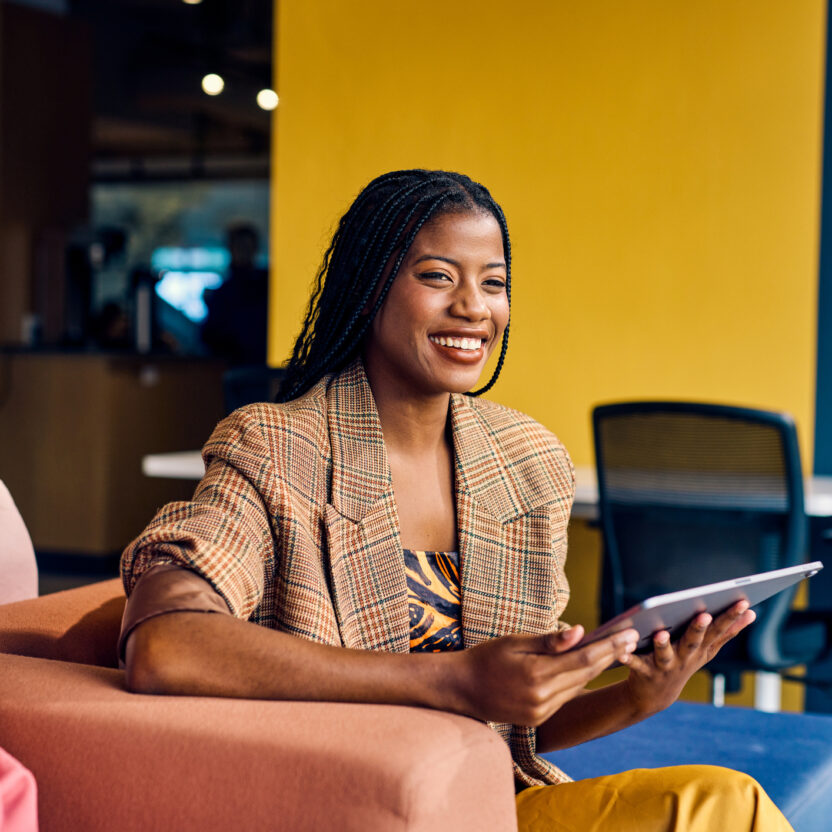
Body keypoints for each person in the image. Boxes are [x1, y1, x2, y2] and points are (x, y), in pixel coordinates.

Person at [120, 169, 793, 830]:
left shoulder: (527, 462)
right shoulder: (275, 446)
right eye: (438, 276)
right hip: (349, 805)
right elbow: (166, 647)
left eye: (494, 283)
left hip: (491, 805)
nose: (474, 307)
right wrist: (449, 679)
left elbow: (512, 726)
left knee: (718, 804)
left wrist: (637, 698)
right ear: (370, 286)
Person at [201, 223, 269, 365]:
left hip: (259, 366)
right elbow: (210, 336)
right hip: (236, 367)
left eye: (247, 247)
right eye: (239, 246)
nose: (243, 252)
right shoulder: (223, 293)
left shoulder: (267, 286)